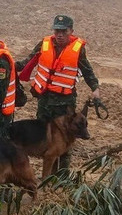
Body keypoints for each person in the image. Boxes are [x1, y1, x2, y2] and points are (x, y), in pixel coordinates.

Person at [17, 15, 99, 169]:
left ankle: (61, 177)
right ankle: (47, 174)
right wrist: (11, 67)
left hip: (65, 104)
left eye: (64, 31)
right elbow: (27, 61)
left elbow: (87, 70)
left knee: (66, 139)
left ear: (71, 31)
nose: (59, 34)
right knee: (43, 138)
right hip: (45, 100)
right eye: (57, 30)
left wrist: (95, 88)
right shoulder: (44, 44)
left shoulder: (77, 49)